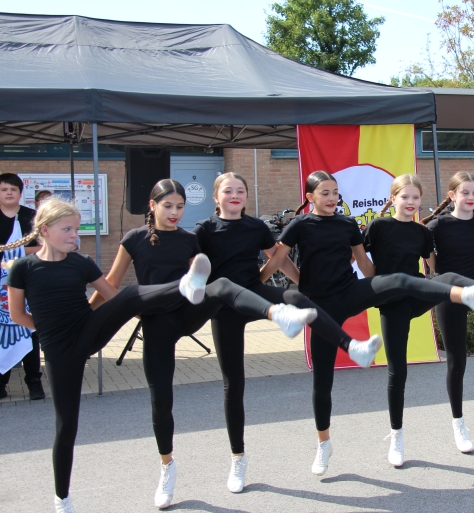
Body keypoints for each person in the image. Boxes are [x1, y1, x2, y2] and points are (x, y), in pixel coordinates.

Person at [93, 179, 317, 508]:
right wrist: (123, 309)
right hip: (156, 326)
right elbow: (110, 283)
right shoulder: (134, 239)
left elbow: (228, 266)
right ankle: (167, 467)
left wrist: (291, 284)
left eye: (180, 207)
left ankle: (279, 314)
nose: (174, 212)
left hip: (188, 313)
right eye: (168, 206)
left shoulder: (189, 239)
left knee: (220, 286)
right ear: (152, 206)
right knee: (161, 401)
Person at [261, 170, 474, 477]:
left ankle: (472, 294)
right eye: (325, 193)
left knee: (409, 280)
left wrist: (381, 288)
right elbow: (281, 259)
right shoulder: (307, 224)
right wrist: (282, 283)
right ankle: (326, 444)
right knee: (325, 380)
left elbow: (370, 263)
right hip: (332, 303)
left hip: (372, 292)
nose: (332, 198)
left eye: (335, 192)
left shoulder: (353, 224)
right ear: (310, 197)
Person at [5, 197, 211, 513]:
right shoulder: (24, 268)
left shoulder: (81, 263)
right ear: (45, 230)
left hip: (88, 330)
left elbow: (113, 296)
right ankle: (62, 499)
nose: (75, 235)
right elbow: (17, 314)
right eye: (68, 229)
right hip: (59, 351)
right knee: (66, 425)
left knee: (128, 294)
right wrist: (47, 330)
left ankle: (186, 286)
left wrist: (131, 310)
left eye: (76, 229)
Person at [194, 172, 394, 481]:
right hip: (224, 307)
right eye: (228, 191)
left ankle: (352, 346)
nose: (235, 195)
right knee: (233, 384)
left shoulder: (256, 226)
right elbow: (194, 265)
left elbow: (278, 259)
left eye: (240, 190)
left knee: (298, 300)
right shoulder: (205, 229)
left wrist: (298, 282)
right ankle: (238, 459)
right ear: (216, 197)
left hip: (262, 295)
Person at [365, 174, 474, 466]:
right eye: (405, 197)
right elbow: (366, 257)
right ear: (393, 198)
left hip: (449, 288)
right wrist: (372, 285)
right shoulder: (415, 226)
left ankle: (459, 426)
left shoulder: (447, 228)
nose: (411, 202)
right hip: (407, 299)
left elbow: (453, 259)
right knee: (407, 369)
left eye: (415, 197)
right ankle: (399, 436)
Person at [0, 172, 43, 401]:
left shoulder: (32, 217)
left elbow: (45, 246)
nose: (8, 193)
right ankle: (1, 381)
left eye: (13, 189)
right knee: (3, 331)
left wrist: (15, 251)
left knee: (29, 329)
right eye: (4, 189)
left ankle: (34, 381)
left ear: (20, 193)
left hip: (28, 280)